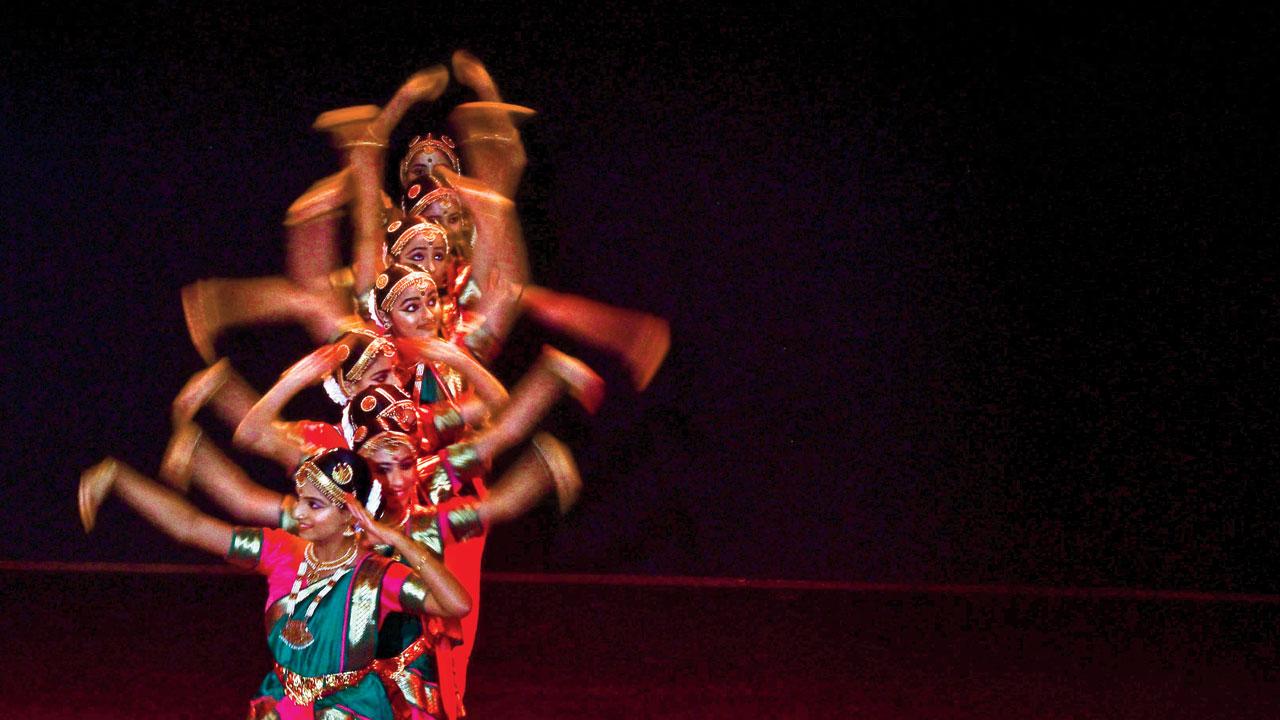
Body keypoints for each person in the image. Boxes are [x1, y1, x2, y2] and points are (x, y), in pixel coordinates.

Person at [77, 447, 471, 720]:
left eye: (314, 505)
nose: (298, 512)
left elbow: (457, 605)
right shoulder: (281, 550)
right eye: (300, 500)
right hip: (283, 702)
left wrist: (397, 540)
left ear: (350, 514)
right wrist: (120, 480)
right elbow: (192, 527)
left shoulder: (377, 575)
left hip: (350, 709)